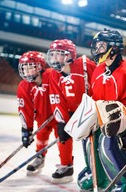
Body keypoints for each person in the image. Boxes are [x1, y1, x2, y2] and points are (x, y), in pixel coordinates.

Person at [77, 29, 126, 192]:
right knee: (89, 141)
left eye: (101, 46)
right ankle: (99, 176)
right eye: (96, 46)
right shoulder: (99, 69)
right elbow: (96, 97)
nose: (97, 50)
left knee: (107, 144)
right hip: (103, 118)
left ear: (114, 47)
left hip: (123, 121)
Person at [46, 39, 96, 183]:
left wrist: (92, 110)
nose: (54, 58)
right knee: (61, 131)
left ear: (69, 56)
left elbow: (98, 87)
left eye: (58, 54)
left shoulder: (84, 66)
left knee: (92, 144)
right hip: (73, 113)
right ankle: (67, 167)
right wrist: (62, 121)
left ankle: (99, 173)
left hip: (92, 111)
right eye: (53, 54)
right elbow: (57, 98)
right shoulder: (54, 75)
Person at [16, 51, 57, 176]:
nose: (27, 71)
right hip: (42, 118)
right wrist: (26, 130)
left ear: (40, 66)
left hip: (59, 116)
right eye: (24, 68)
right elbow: (25, 109)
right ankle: (40, 157)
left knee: (63, 140)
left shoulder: (52, 75)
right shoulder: (24, 86)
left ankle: (66, 164)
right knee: (41, 137)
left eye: (30, 67)